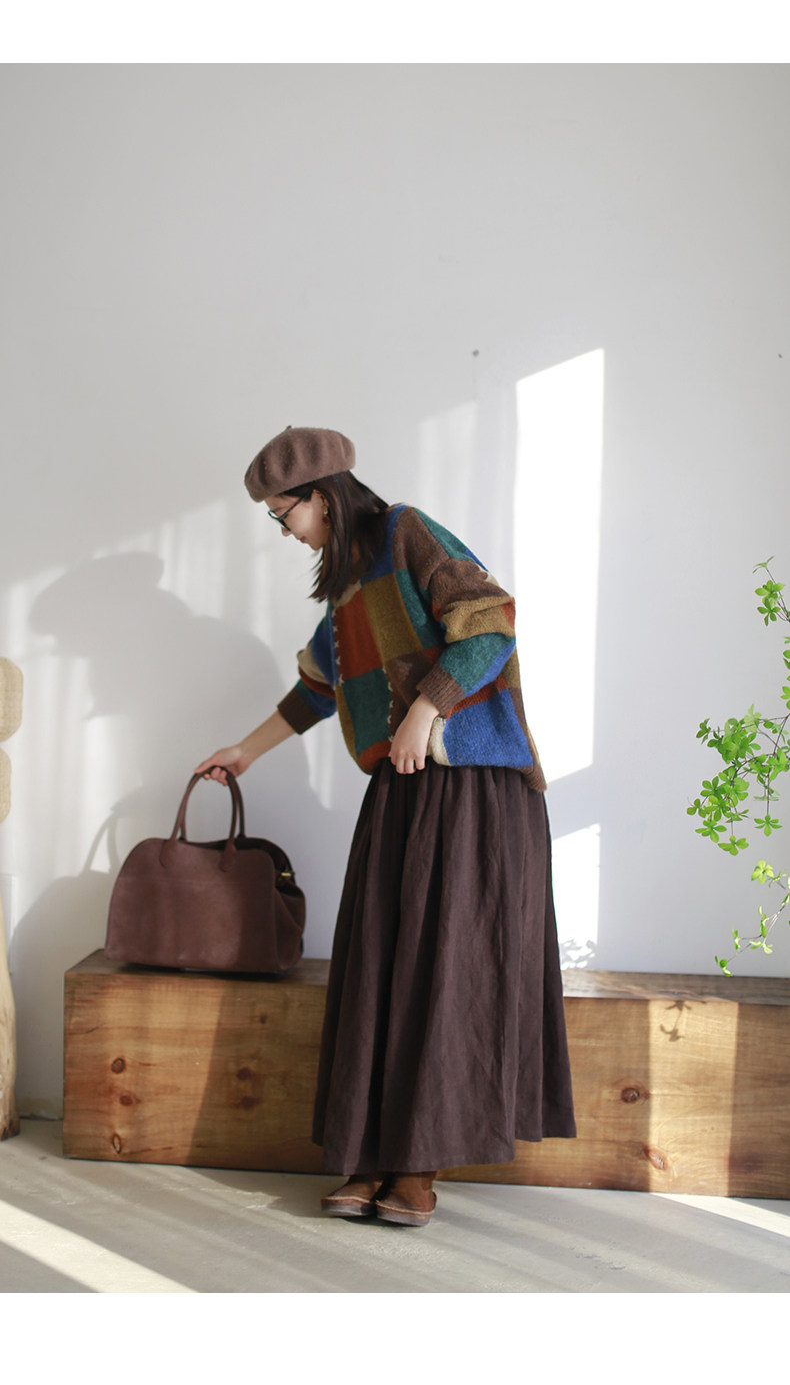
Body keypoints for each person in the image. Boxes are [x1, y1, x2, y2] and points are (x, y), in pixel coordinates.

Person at [196, 425, 576, 1227]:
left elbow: (489, 621)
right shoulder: (348, 591)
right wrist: (245, 751)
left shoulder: (407, 533)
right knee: (379, 965)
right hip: (405, 788)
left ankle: (418, 1165)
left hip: (474, 788)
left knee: (446, 970)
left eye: (283, 514)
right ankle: (371, 1154)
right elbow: (319, 688)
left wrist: (426, 709)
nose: (285, 531)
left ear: (323, 496)